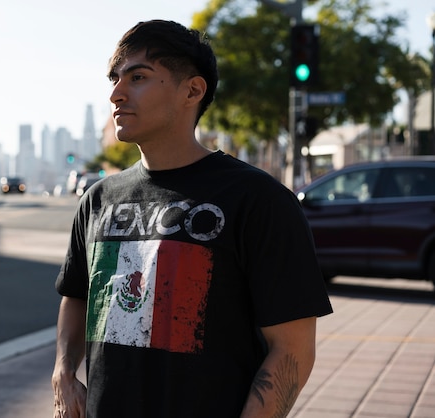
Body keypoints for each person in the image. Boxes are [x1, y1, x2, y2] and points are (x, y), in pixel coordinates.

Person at [51, 19, 332, 418]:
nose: (116, 93)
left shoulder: (258, 200)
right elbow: (77, 294)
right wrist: (63, 370)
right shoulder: (98, 200)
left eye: (138, 76)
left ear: (193, 90)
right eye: (114, 78)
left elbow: (292, 349)